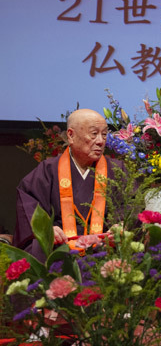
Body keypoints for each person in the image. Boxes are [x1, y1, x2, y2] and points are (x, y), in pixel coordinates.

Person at [14, 109, 122, 261]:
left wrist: (121, 227)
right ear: (71, 135)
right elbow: (28, 205)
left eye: (104, 134)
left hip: (106, 252)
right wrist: (46, 229)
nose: (100, 141)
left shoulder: (117, 170)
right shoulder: (48, 170)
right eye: (93, 134)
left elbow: (132, 207)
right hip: (59, 251)